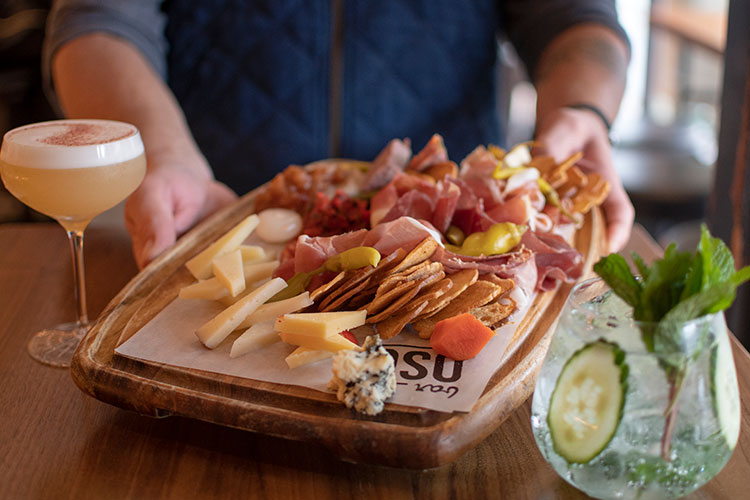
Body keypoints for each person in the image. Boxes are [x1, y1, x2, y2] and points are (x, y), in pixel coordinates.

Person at [43, 0, 634, 269]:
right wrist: (167, 154)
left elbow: (576, 19)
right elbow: (96, 23)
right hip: (215, 222)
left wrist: (582, 110)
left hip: (454, 241)